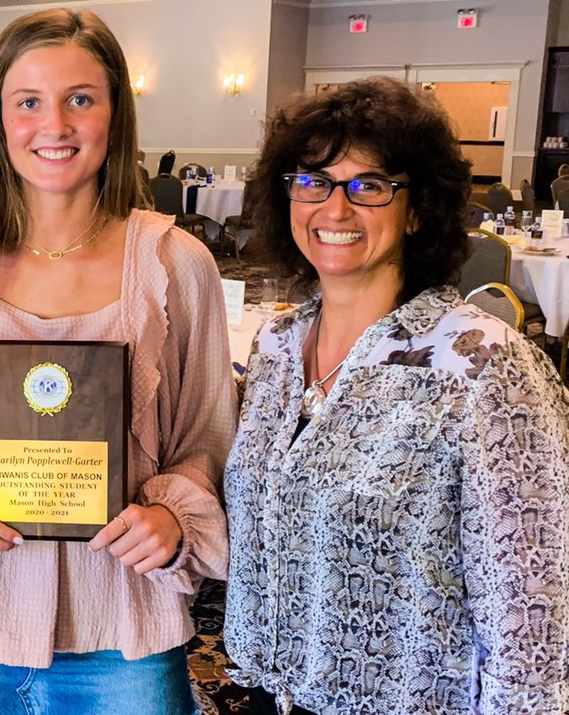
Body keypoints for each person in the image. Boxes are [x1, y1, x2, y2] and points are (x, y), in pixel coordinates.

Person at [0, 7, 235, 715]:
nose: (56, 125)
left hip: (128, 631)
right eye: (29, 102)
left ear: (114, 114)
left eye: (81, 98)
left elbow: (208, 440)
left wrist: (173, 520)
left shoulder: (176, 263)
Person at [223, 77, 569, 715]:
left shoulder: (482, 364)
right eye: (313, 181)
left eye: (370, 185)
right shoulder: (276, 345)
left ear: (416, 209)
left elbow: (530, 612)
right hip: (274, 691)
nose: (335, 208)